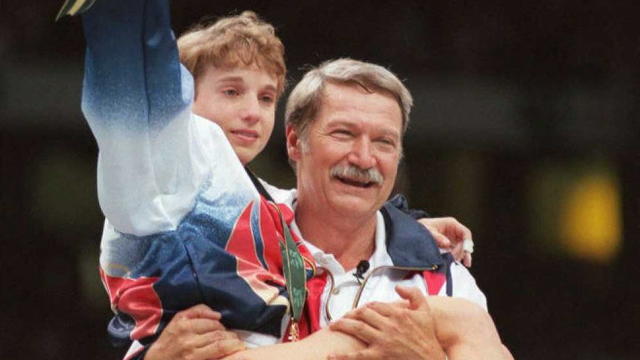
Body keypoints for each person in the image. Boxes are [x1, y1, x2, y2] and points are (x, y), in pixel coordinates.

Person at [63, 0, 507, 359]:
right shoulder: (223, 203)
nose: (364, 157)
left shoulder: (440, 273)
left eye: (384, 142)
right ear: (295, 143)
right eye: (343, 133)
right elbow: (137, 114)